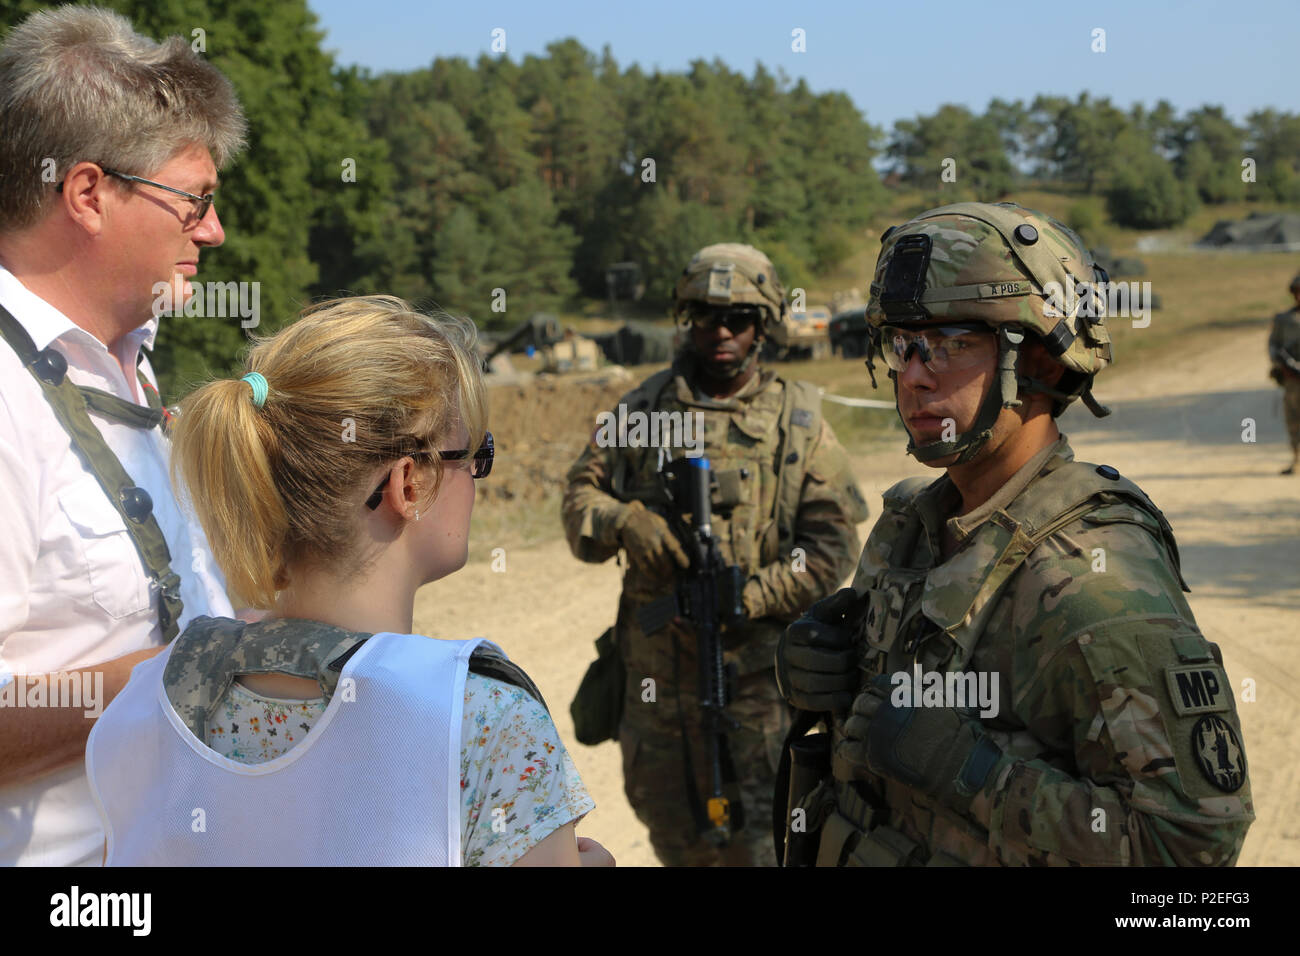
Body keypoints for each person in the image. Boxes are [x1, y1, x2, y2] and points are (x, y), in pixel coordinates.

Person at [775, 202, 1254, 866]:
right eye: (903, 345)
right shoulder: (908, 529)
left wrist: (972, 773)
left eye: (950, 344)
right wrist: (825, 674)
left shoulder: (1092, 575)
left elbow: (1191, 843)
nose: (913, 374)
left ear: (1045, 364)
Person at [86, 295, 610, 866]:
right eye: (474, 454)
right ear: (409, 484)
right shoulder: (486, 720)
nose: (478, 479)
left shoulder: (145, 706)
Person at [0, 5, 246, 866]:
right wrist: (212, 671)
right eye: (195, 200)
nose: (212, 230)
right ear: (88, 195)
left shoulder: (121, 364)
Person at [562, 243, 869, 866]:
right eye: (706, 316)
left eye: (740, 318)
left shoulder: (799, 424)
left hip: (758, 697)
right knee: (677, 844)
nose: (722, 331)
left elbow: (831, 550)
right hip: (658, 698)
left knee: (766, 849)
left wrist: (751, 596)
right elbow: (578, 501)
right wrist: (624, 521)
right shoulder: (641, 412)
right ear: (686, 319)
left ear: (765, 326)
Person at [1267, 273, 1300, 475]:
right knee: (1293, 419)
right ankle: (1296, 460)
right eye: (1297, 293)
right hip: (1292, 381)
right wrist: (1281, 363)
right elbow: (1273, 345)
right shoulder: (1284, 320)